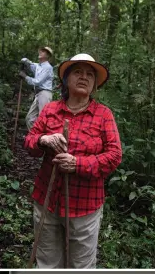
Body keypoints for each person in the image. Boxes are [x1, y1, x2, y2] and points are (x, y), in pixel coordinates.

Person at [24, 53, 122, 268]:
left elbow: (114, 155)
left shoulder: (103, 115)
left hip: (84, 207)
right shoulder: (51, 109)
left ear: (95, 85)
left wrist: (78, 164)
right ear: (66, 79)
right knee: (47, 263)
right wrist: (44, 139)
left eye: (90, 74)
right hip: (47, 200)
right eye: (78, 72)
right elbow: (29, 143)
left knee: (81, 266)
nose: (84, 77)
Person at [19, 46, 54, 130]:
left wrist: (25, 76)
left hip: (45, 93)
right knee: (29, 119)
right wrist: (25, 61)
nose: (41, 52)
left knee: (43, 119)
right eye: (41, 51)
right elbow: (29, 64)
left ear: (47, 56)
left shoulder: (48, 67)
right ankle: (35, 139)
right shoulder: (38, 66)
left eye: (43, 51)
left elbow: (38, 81)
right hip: (38, 94)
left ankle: (44, 141)